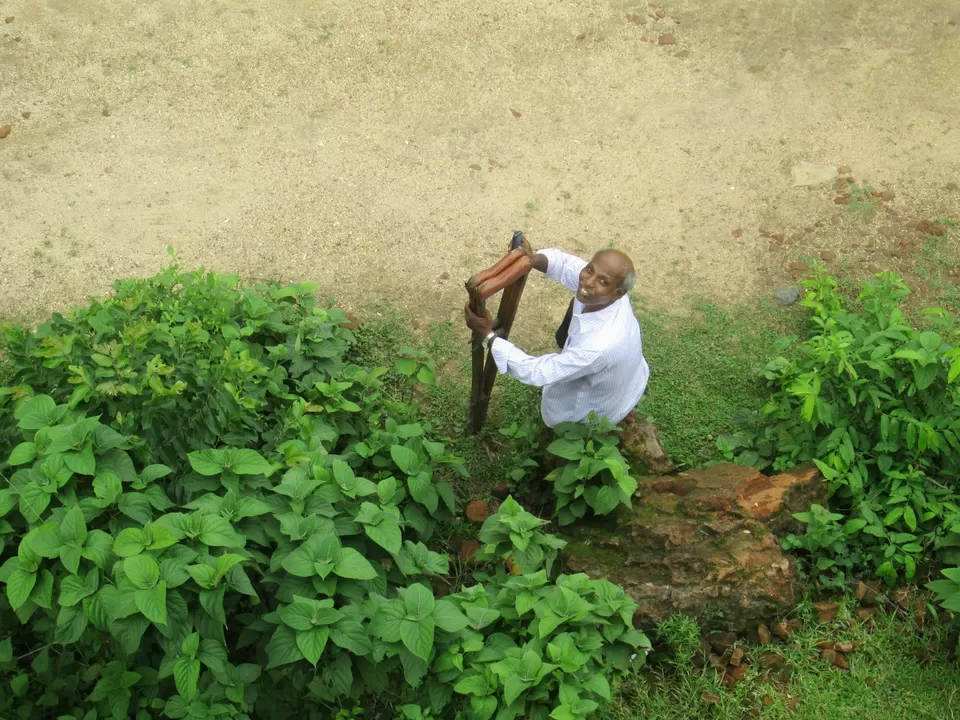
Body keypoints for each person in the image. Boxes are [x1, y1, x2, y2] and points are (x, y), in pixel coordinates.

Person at [464, 243, 649, 428]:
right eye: (590, 270)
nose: (588, 281)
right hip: (626, 378)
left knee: (563, 410)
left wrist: (487, 336)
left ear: (618, 293)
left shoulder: (598, 347)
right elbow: (567, 265)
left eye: (603, 281)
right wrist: (531, 261)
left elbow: (538, 371)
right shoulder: (611, 291)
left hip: (596, 408)